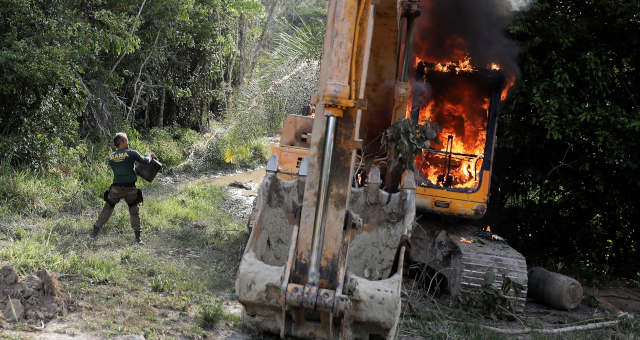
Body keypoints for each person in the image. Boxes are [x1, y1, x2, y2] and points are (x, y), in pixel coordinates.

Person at [92, 132, 156, 244]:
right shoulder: (131, 153)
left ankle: (95, 232)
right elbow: (145, 161)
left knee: (107, 208)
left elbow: (122, 168)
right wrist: (150, 156)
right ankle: (138, 239)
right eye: (126, 140)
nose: (128, 142)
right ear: (121, 142)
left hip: (115, 189)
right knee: (134, 211)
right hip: (130, 189)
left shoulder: (111, 157)